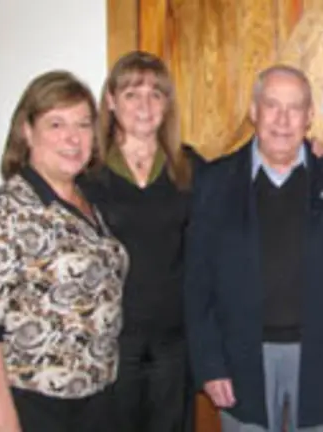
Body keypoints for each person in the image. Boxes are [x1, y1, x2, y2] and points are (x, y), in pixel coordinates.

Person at [184, 64, 323, 432]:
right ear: (254, 111)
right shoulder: (214, 182)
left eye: (295, 108)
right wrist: (210, 364)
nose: (282, 120)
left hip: (321, 358)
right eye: (272, 105)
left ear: (309, 116)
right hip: (240, 359)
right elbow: (197, 284)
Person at [0, 70, 128, 432]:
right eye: (56, 124)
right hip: (30, 400)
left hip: (92, 393)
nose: (73, 138)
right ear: (27, 130)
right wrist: (4, 421)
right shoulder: (5, 212)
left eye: (83, 124)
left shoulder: (86, 198)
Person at [79, 50, 204, 432]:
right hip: (112, 341)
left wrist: (309, 152)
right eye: (132, 94)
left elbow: (244, 182)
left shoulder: (189, 167)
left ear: (167, 104)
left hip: (174, 342)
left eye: (155, 94)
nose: (144, 106)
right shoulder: (87, 173)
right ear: (111, 101)